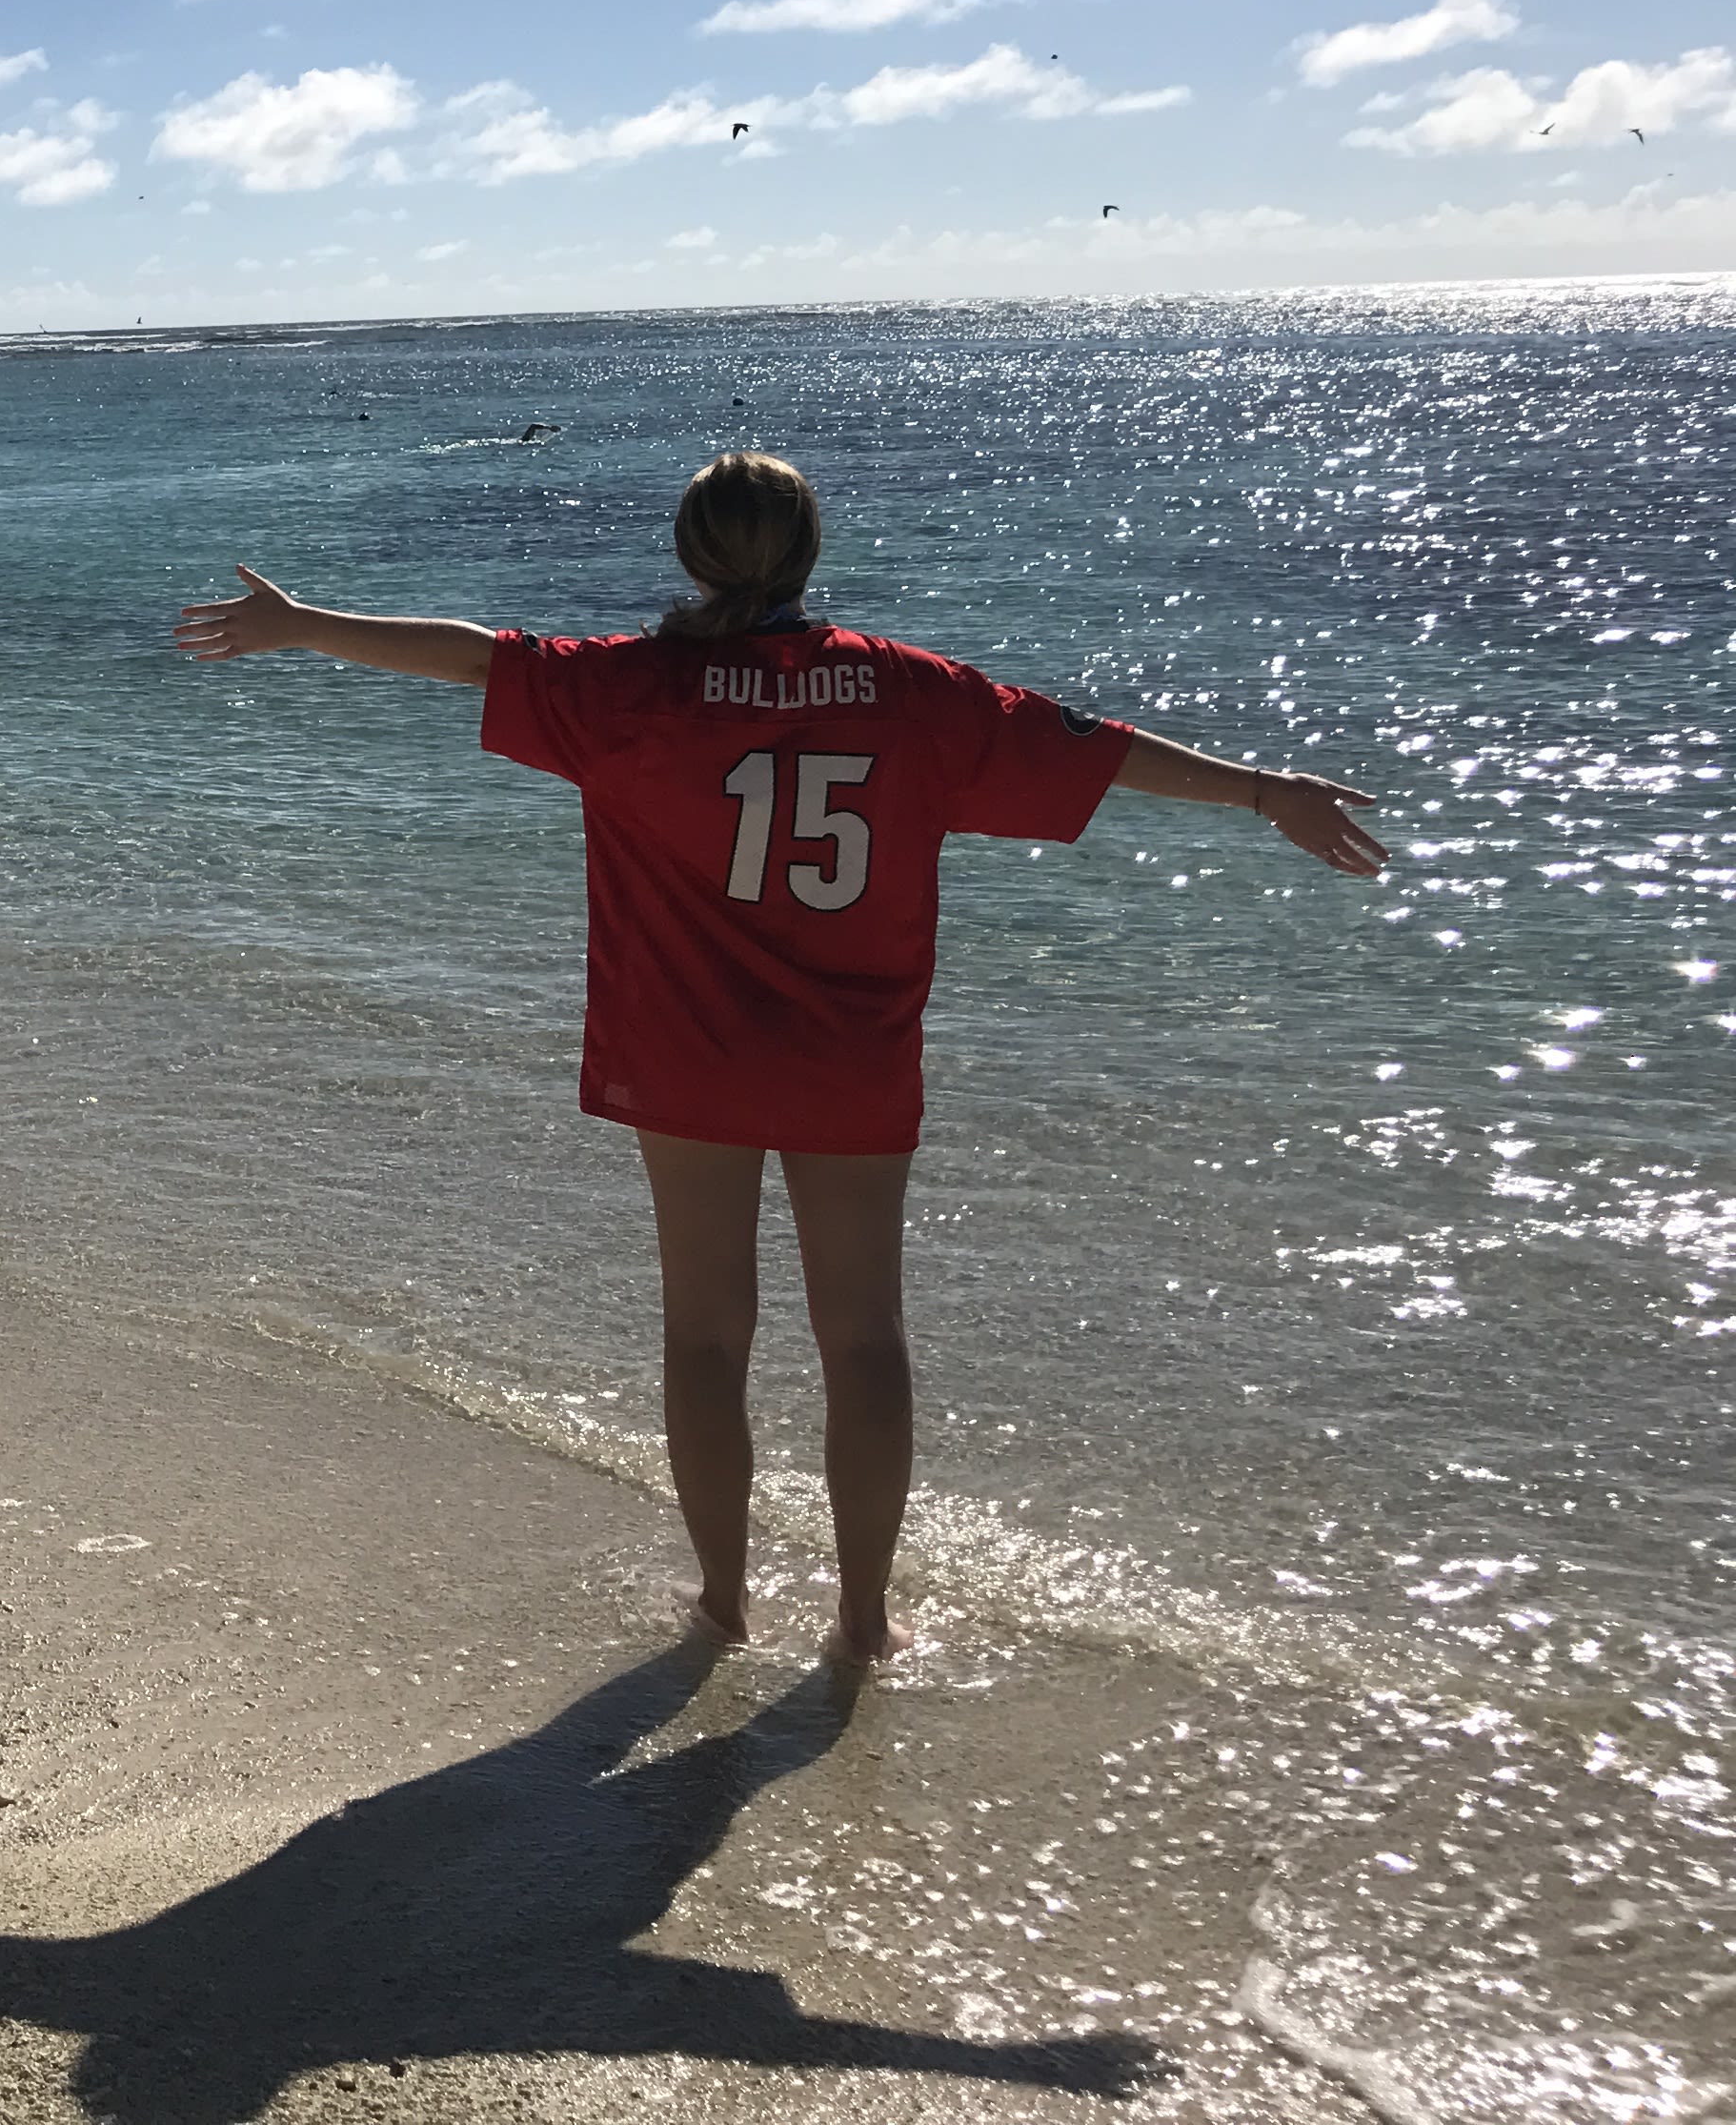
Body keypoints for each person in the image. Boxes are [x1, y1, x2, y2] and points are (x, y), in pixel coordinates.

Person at [170, 451, 1383, 1666]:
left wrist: (304, 625)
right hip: (850, 1060)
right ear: (808, 554)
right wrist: (1264, 791)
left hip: (688, 1057)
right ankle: (863, 1623)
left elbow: (472, 653)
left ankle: (724, 1604)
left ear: (690, 555)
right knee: (862, 1334)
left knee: (706, 1331)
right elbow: (1099, 751)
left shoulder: (628, 691)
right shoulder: (912, 692)